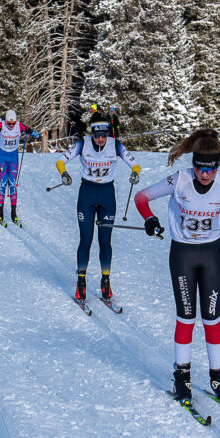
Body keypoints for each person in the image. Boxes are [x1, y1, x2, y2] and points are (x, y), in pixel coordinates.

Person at [133, 129, 220, 404]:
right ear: (193, 165)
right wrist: (149, 219)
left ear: (218, 166)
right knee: (186, 317)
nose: (205, 174)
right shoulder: (179, 180)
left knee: (212, 317)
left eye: (211, 168)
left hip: (212, 255)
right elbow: (142, 197)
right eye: (200, 167)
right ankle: (182, 377)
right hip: (183, 255)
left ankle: (218, 376)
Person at [57, 112, 140, 302]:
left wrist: (135, 174)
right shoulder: (83, 143)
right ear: (92, 133)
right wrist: (64, 174)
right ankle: (81, 282)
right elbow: (60, 160)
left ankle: (105, 281)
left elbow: (135, 164)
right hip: (87, 193)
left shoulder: (115, 145)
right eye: (97, 135)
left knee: (105, 241)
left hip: (107, 195)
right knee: (85, 240)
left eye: (104, 134)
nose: (101, 139)